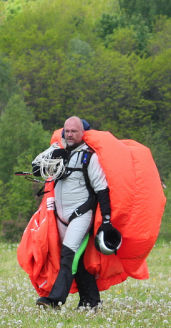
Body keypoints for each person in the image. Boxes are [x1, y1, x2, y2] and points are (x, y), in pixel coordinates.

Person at [32, 116, 117, 310]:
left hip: (81, 215)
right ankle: (91, 301)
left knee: (68, 256)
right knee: (76, 260)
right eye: (67, 131)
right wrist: (54, 156)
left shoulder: (89, 157)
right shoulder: (56, 150)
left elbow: (102, 190)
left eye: (74, 131)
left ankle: (54, 300)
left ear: (82, 133)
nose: (70, 134)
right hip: (60, 217)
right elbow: (36, 169)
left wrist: (106, 221)